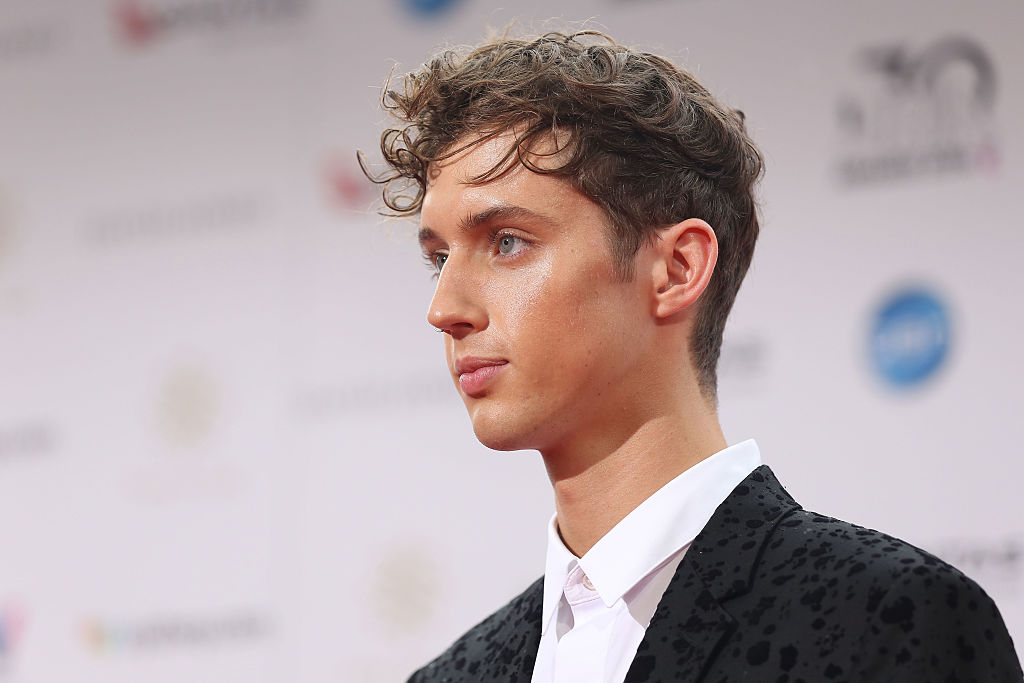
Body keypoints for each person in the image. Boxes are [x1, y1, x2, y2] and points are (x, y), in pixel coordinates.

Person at [366, 29, 1023, 682]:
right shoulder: (451, 677)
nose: (443, 309)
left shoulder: (891, 621)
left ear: (677, 269)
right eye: (439, 259)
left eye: (507, 242)